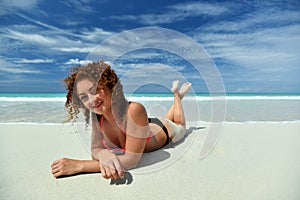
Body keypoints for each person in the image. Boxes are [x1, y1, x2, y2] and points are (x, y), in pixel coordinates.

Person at [51, 60, 192, 180]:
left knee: (181, 126)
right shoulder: (97, 116)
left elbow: (131, 160)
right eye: (84, 97)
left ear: (109, 85)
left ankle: (176, 96)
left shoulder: (134, 109)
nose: (92, 100)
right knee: (168, 118)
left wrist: (79, 166)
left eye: (94, 90)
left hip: (166, 131)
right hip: (145, 125)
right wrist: (103, 153)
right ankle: (176, 96)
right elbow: (95, 149)